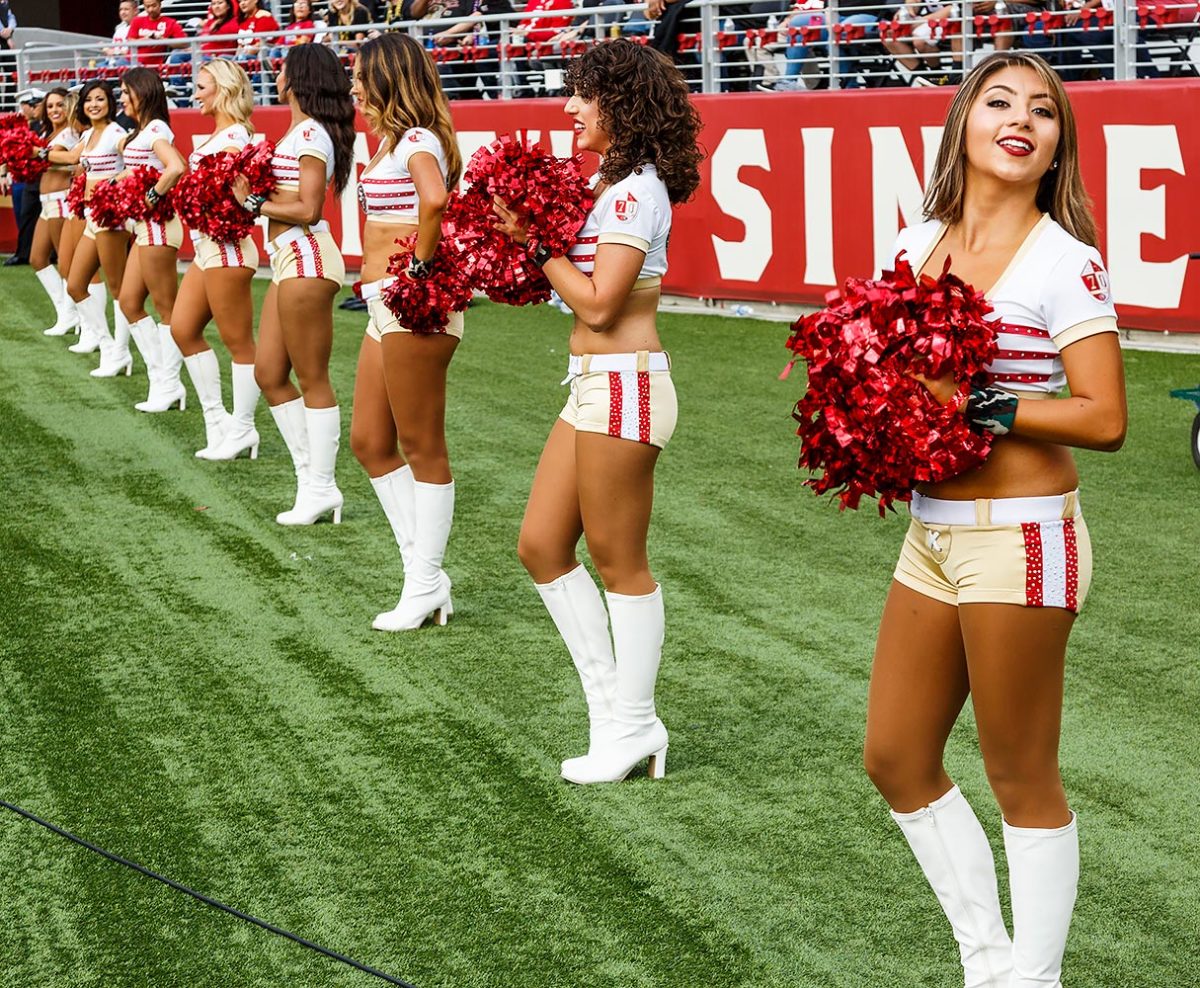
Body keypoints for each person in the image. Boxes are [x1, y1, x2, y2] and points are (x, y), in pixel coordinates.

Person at [861, 51, 1126, 988]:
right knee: (895, 756)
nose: (1022, 119)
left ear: (1058, 148)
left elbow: (1105, 418)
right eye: (1001, 100)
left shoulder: (1064, 260)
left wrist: (987, 403)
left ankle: (1034, 980)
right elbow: (890, 387)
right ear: (964, 122)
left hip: (1024, 538)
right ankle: (989, 960)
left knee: (1021, 779)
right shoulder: (915, 241)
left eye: (1044, 112)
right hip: (931, 533)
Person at [492, 39, 702, 783]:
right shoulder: (611, 187)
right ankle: (613, 711)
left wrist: (534, 244)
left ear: (620, 102)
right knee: (541, 545)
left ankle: (636, 725)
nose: (569, 107)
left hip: (625, 384)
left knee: (622, 564)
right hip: (592, 384)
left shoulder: (633, 192)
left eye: (583, 94)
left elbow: (600, 304)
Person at [347, 32, 462, 629]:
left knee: (422, 445)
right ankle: (425, 572)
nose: (355, 87)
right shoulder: (394, 138)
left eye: (363, 75)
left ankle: (422, 582)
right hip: (380, 301)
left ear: (390, 76)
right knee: (368, 440)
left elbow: (435, 200)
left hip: (411, 302)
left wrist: (418, 267)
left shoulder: (417, 139)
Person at [230, 43, 355, 520]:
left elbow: (308, 209)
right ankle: (312, 480)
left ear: (297, 78)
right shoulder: (301, 130)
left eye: (282, 69)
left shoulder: (310, 133)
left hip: (306, 257)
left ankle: (321, 486)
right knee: (268, 373)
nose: (275, 75)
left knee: (313, 378)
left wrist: (251, 204)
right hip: (289, 259)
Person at [172, 59, 261, 459]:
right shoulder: (218, 135)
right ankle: (217, 420)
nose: (196, 94)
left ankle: (243, 428)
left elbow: (233, 202)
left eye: (202, 86)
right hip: (208, 247)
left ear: (223, 89)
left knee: (238, 343)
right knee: (182, 328)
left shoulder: (236, 137)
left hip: (227, 247)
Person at [47, 81, 132, 376]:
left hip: (111, 218)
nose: (94, 104)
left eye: (100, 99)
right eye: (88, 100)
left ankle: (121, 352)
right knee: (75, 284)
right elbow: (72, 158)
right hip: (91, 217)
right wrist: (37, 153)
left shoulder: (116, 133)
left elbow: (133, 160)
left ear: (110, 102)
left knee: (120, 288)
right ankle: (107, 344)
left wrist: (114, 182)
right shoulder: (87, 134)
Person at [117, 67, 189, 413]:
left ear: (142, 93)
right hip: (145, 227)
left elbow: (175, 166)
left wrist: (151, 196)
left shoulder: (157, 128)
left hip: (159, 225)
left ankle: (170, 385)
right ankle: (161, 378)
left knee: (167, 309)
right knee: (129, 302)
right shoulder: (143, 130)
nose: (121, 98)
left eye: (125, 92)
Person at [30, 89, 81, 337]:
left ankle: (73, 314)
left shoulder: (71, 132)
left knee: (65, 262)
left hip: (62, 199)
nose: (54, 110)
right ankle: (66, 311)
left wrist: (35, 153)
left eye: (59, 105)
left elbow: (63, 159)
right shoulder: (47, 133)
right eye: (49, 106)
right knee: (37, 259)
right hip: (46, 201)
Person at [6, 89, 46, 267]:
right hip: (28, 179)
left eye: (28, 105)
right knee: (26, 215)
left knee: (35, 216)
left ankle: (31, 253)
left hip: (40, 179)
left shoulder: (43, 127)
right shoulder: (29, 126)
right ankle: (24, 252)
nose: (24, 109)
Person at [167, 0, 242, 85]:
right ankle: (177, 87)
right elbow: (203, 38)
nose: (216, 6)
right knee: (176, 54)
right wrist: (195, 48)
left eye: (220, 3)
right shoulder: (211, 21)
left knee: (194, 61)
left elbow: (216, 37)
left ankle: (192, 85)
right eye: (214, 4)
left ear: (228, 6)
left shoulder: (235, 21)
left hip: (216, 56)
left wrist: (201, 46)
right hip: (202, 52)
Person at [128, 0, 187, 70]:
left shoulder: (170, 22)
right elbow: (129, 42)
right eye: (147, 7)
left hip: (154, 65)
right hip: (131, 61)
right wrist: (145, 40)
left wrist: (163, 40)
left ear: (159, 5)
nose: (151, 9)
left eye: (154, 5)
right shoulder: (137, 21)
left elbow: (184, 43)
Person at [103, 0, 139, 68]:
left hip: (128, 64)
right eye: (121, 9)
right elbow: (113, 49)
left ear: (135, 11)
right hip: (112, 62)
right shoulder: (119, 29)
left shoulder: (140, 27)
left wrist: (114, 52)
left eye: (126, 9)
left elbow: (134, 52)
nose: (123, 12)